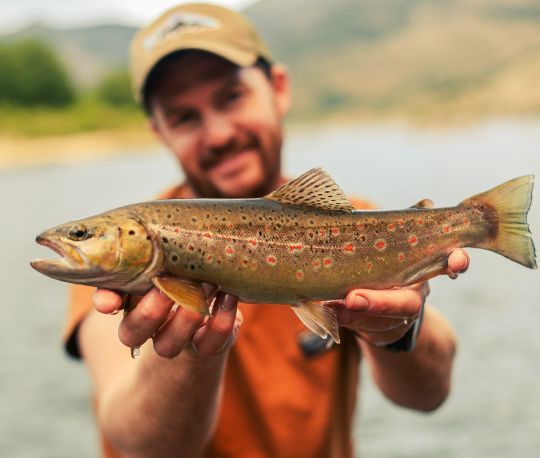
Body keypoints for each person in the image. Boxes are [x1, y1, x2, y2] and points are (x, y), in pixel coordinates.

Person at [64, 4, 469, 457]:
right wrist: (187, 355)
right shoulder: (112, 279)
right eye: (184, 117)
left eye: (231, 97)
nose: (217, 134)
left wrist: (398, 330)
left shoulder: (353, 223)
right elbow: (139, 442)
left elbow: (428, 394)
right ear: (159, 132)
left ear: (278, 89)